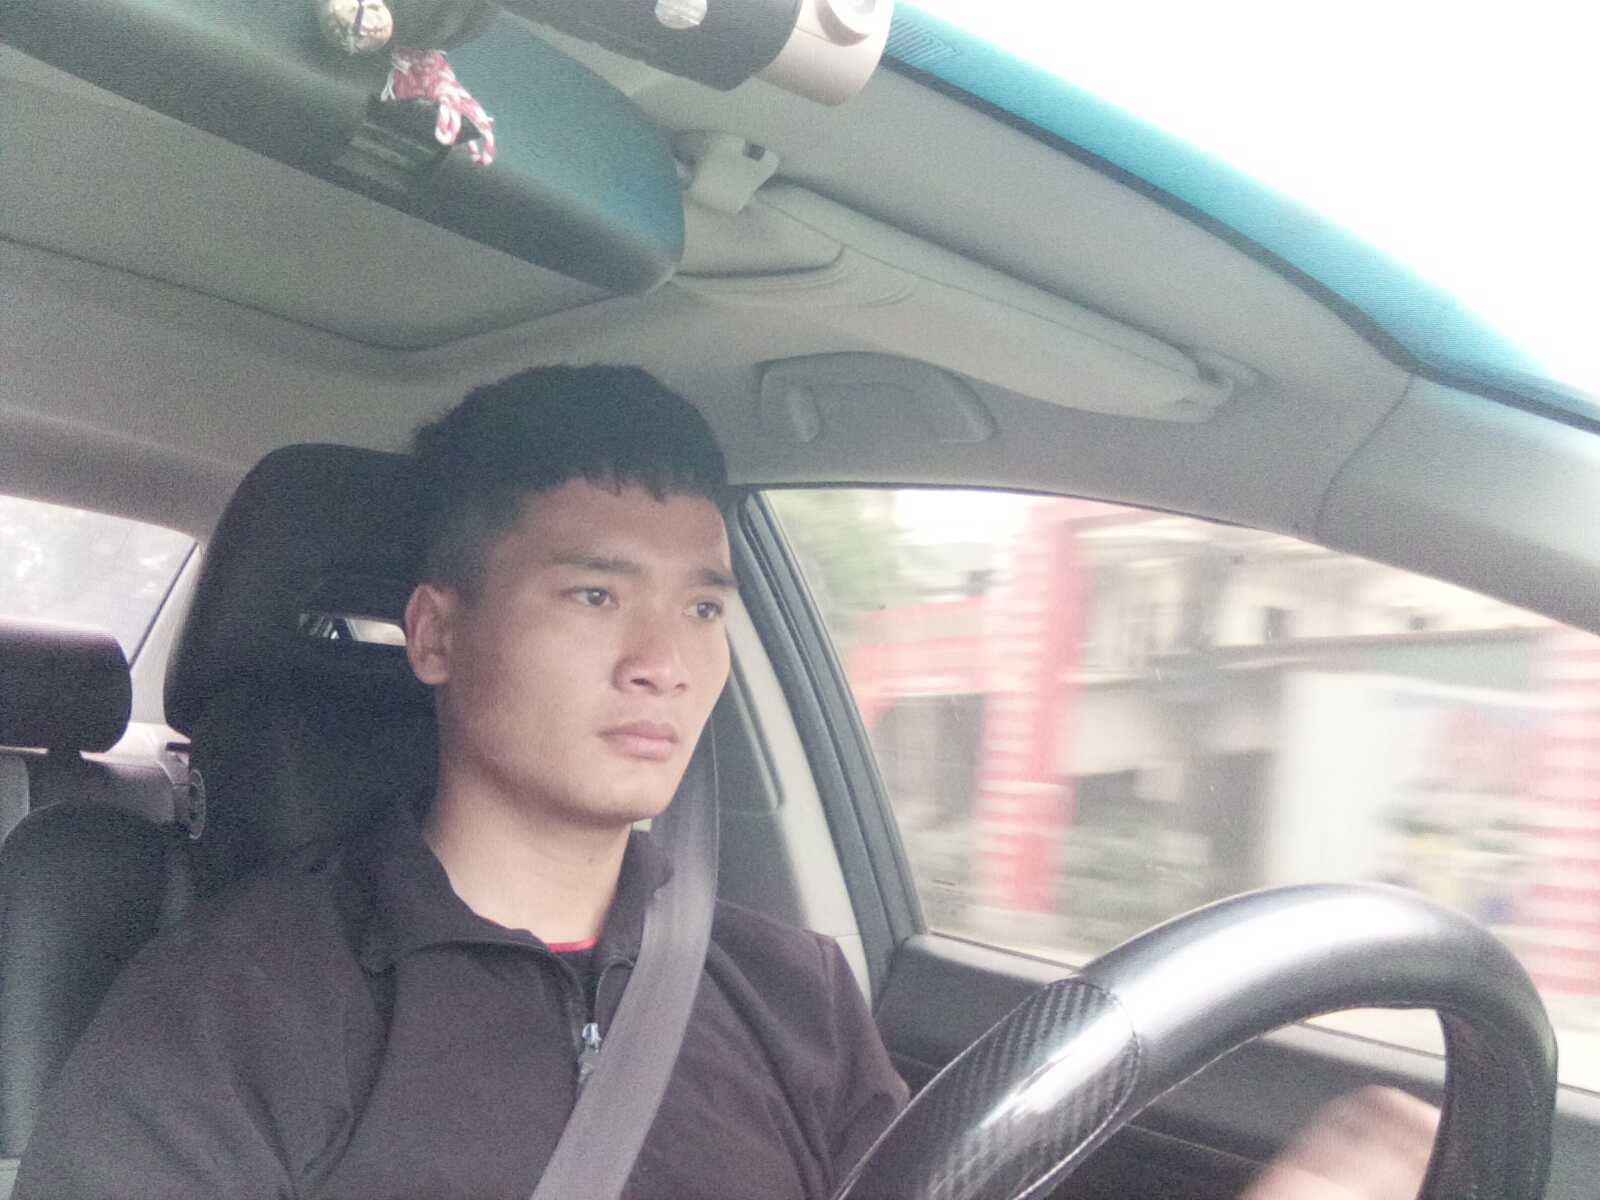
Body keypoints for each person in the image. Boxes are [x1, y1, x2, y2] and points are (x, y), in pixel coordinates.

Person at [17, 366, 1437, 1199]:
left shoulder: (790, 991)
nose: (665, 662)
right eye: (593, 595)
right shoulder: (246, 997)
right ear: (438, 636)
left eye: (702, 608)